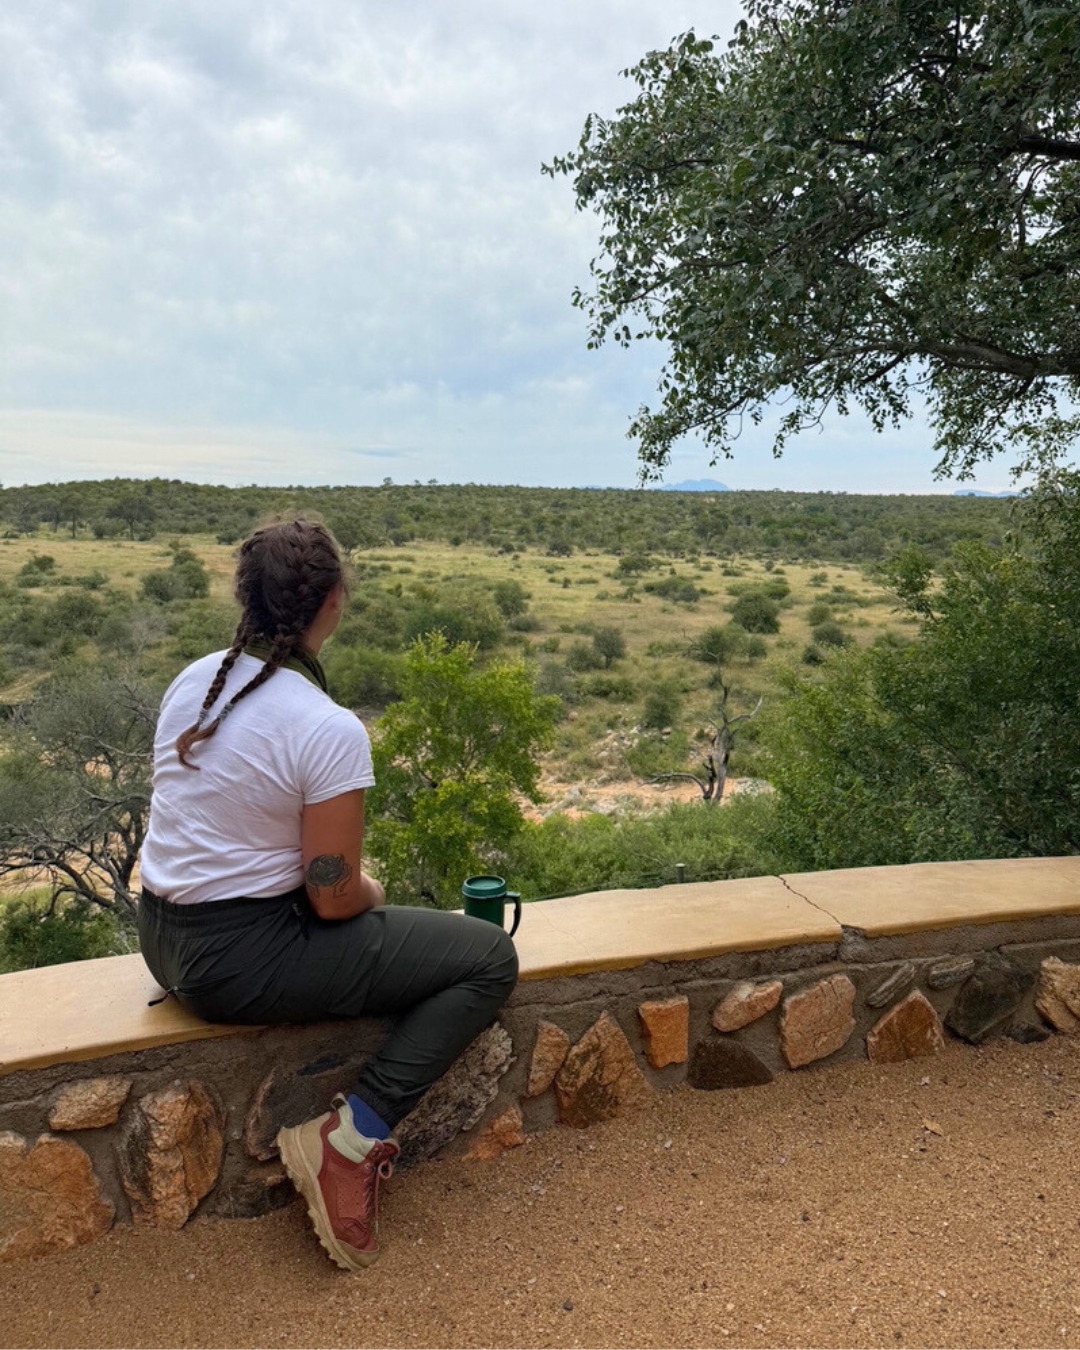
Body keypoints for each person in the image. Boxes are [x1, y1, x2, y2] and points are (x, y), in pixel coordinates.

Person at [138, 518, 519, 1272]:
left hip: (163, 939)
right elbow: (336, 897)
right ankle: (348, 1143)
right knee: (486, 958)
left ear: (245, 599)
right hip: (240, 960)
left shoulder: (195, 682)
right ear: (334, 602)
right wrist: (377, 890)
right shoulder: (326, 725)